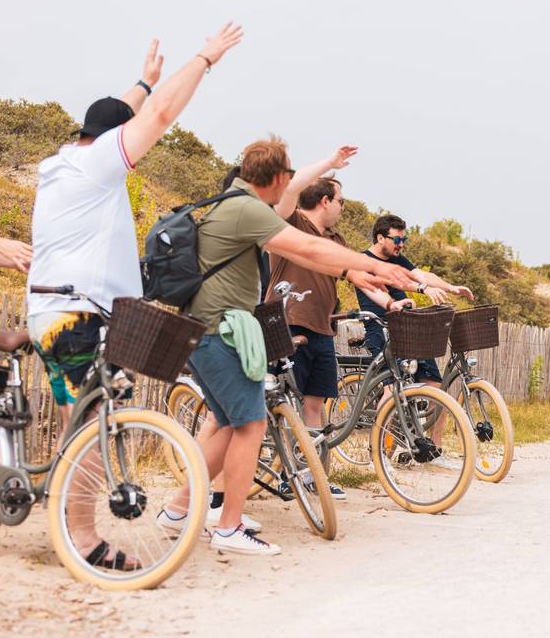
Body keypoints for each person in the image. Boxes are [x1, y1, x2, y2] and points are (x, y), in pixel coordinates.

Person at [26, 25, 243, 570]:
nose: (135, 155)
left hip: (63, 312)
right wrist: (205, 59)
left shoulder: (66, 160)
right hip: (75, 317)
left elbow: (116, 113)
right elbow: (159, 118)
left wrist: (142, 82)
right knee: (100, 423)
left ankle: (63, 519)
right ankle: (81, 537)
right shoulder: (98, 166)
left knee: (87, 421)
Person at [158, 137, 412, 556]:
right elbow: (308, 246)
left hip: (205, 329)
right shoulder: (245, 210)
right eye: (288, 176)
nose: (292, 184)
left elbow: (309, 256)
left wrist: (355, 270)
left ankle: (179, 509)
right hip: (218, 331)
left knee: (228, 423)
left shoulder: (238, 205)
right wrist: (376, 265)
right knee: (251, 424)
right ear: (277, 178)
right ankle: (228, 526)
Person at [264, 174, 358, 499]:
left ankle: (309, 475)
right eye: (341, 201)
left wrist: (396, 293)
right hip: (287, 323)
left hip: (322, 329)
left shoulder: (336, 240)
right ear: (324, 201)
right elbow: (288, 191)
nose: (343, 208)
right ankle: (281, 472)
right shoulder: (294, 224)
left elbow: (356, 272)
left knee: (314, 404)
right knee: (278, 403)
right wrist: (330, 162)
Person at [353, 214, 474, 460]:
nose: (401, 244)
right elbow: (393, 282)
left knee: (436, 388)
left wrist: (450, 287)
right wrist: (421, 289)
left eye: (404, 239)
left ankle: (434, 449)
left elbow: (420, 275)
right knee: (390, 391)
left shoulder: (398, 258)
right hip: (379, 327)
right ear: (380, 237)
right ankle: (380, 456)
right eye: (397, 239)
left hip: (406, 327)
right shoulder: (363, 260)